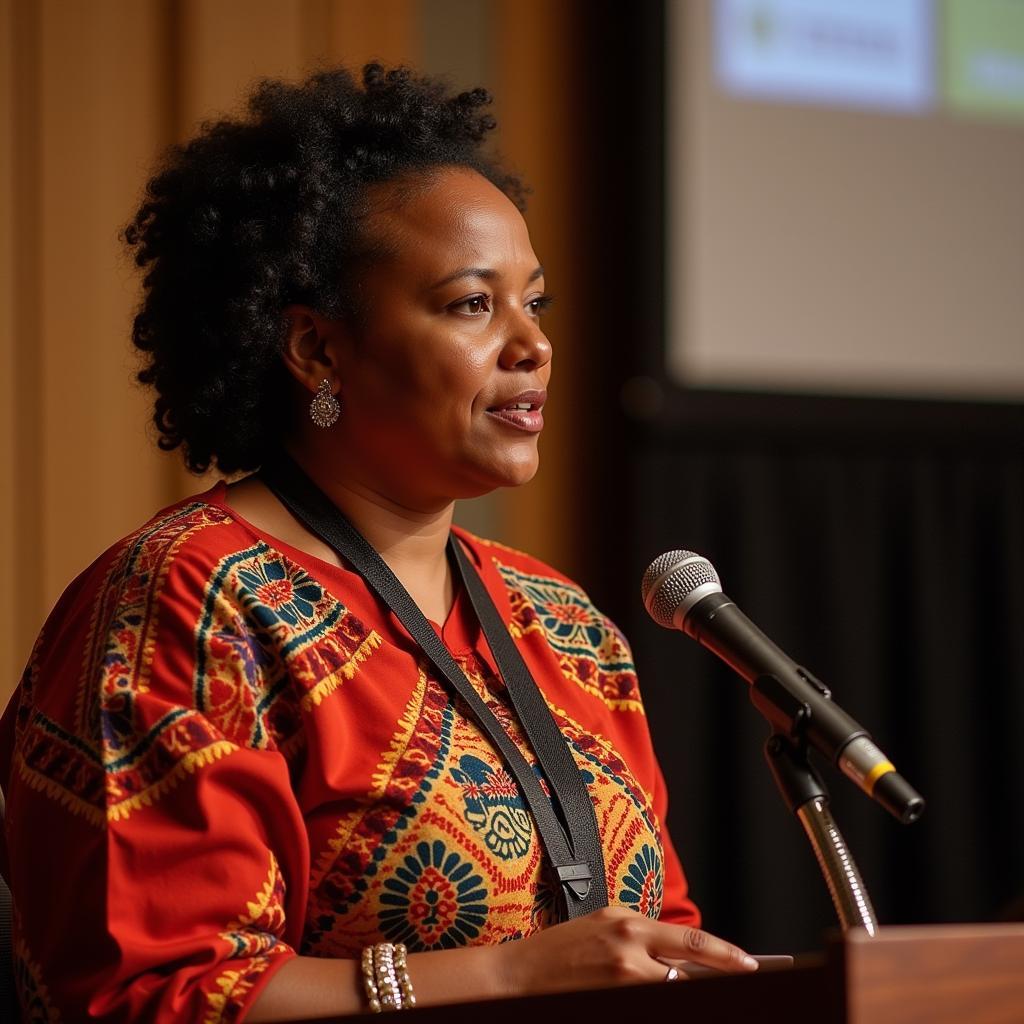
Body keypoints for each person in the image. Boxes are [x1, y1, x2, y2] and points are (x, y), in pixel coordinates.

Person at [0, 64, 758, 1021]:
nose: (532, 345)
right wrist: (513, 974)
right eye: (472, 305)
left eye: (537, 304)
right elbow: (155, 993)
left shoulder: (566, 627)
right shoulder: (188, 599)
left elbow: (657, 939)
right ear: (316, 350)